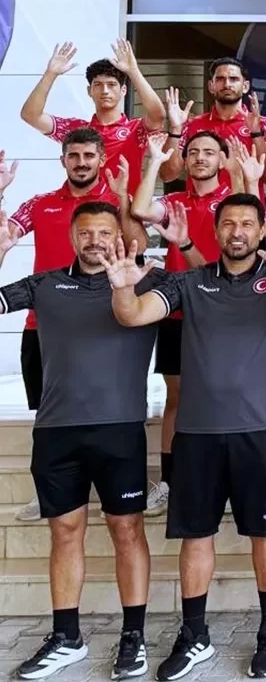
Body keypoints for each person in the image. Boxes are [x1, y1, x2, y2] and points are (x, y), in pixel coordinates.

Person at [109, 193, 266, 679]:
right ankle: (195, 634)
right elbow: (133, 315)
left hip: (260, 432)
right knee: (196, 536)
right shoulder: (190, 281)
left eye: (247, 223)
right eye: (228, 223)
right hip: (198, 434)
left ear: (261, 230)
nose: (237, 232)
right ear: (216, 229)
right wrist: (123, 288)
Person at [2, 202, 155, 680]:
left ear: (119, 237)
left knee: (127, 530)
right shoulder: (44, 285)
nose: (94, 241)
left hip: (119, 431)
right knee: (64, 532)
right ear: (72, 238)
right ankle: (67, 636)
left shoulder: (146, 282)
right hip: (57, 431)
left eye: (104, 233)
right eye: (85, 233)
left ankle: (134, 636)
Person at [8, 128, 148, 523]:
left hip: (107, 315)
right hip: (43, 321)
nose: (81, 162)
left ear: (101, 159)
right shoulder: (40, 203)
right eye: (74, 155)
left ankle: (114, 487)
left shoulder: (114, 201)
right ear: (63, 160)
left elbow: (138, 247)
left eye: (89, 155)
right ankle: (53, 491)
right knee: (48, 407)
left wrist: (124, 201)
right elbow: (7, 235)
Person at [129, 130, 239, 517]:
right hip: (178, 313)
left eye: (209, 152)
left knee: (224, 394)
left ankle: (226, 480)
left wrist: (242, 174)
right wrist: (156, 163)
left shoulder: (233, 202)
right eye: (193, 152)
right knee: (176, 398)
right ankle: (171, 481)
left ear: (222, 160)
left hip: (223, 315)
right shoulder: (175, 202)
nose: (200, 158)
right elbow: (141, 209)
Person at [20, 39, 165, 191]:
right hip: (83, 205)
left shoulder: (136, 129)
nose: (105, 91)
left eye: (111, 85)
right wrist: (50, 74)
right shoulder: (76, 130)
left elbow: (158, 115)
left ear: (123, 90)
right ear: (89, 91)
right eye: (98, 85)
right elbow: (31, 116)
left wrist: (133, 71)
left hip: (125, 205)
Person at [159, 57, 266, 193]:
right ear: (211, 86)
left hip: (243, 206)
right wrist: (175, 129)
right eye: (220, 79)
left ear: (245, 86)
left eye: (234, 79)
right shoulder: (191, 125)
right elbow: (167, 175)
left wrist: (256, 133)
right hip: (200, 206)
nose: (227, 84)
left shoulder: (264, 124)